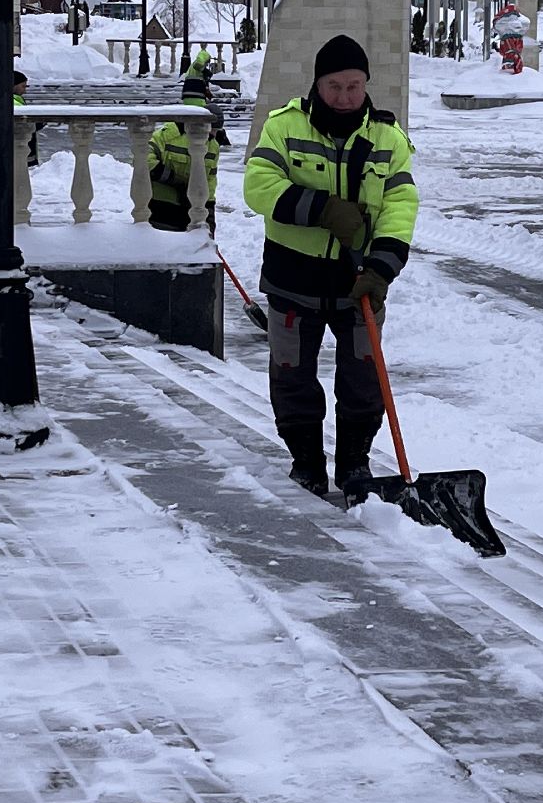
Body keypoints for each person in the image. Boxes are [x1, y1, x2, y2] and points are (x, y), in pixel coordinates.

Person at [243, 34, 419, 497]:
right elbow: (258, 186)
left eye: (354, 85)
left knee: (364, 379)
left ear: (366, 84)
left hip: (358, 281)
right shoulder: (285, 127)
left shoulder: (387, 137)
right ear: (317, 84)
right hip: (292, 278)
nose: (344, 96)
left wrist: (381, 268)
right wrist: (321, 207)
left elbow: (401, 204)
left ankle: (355, 464)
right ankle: (306, 462)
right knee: (292, 375)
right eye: (335, 85)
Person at [147, 49, 228, 234]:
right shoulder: (169, 133)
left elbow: (210, 181)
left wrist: (209, 214)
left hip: (191, 211)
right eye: (212, 129)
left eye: (216, 131)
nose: (213, 135)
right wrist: (173, 179)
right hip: (161, 209)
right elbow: (144, 159)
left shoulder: (213, 146)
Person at [12, 69, 39, 166]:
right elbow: (24, 123)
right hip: (20, 148)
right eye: (23, 86)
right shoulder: (14, 103)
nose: (25, 90)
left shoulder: (17, 100)